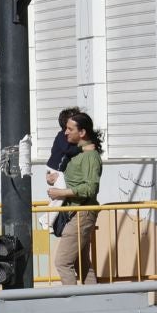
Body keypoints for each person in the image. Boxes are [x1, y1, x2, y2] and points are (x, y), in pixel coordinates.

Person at [46, 109, 104, 286]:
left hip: (82, 213)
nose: (65, 132)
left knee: (63, 262)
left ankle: (73, 305)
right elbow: (73, 179)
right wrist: (56, 180)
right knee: (82, 264)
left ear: (82, 132)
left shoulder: (90, 157)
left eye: (70, 129)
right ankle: (93, 305)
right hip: (74, 212)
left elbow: (90, 188)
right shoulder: (77, 153)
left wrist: (61, 193)